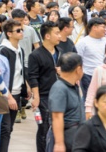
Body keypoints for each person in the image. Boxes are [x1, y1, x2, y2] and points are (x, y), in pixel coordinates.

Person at [28, 21, 62, 152]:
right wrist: (36, 97)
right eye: (57, 33)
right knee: (44, 129)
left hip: (59, 95)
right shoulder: (36, 55)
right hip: (44, 96)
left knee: (58, 127)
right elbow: (33, 77)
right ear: (47, 36)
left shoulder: (59, 52)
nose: (59, 36)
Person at [0, 19, 26, 149]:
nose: (21, 33)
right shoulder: (3, 50)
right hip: (4, 94)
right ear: (9, 33)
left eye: (22, 30)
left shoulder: (19, 49)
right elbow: (0, 77)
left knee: (9, 128)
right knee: (5, 128)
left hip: (17, 92)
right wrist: (8, 97)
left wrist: (27, 87)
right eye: (18, 31)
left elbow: (20, 71)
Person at [49, 52, 85, 152]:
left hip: (76, 137)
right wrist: (59, 144)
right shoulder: (60, 88)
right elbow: (57, 117)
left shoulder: (73, 86)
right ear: (78, 69)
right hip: (66, 138)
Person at [76, 18, 106, 96]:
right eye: (103, 27)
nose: (105, 30)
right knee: (89, 98)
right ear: (94, 27)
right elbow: (78, 60)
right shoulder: (83, 42)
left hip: (105, 74)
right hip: (88, 75)